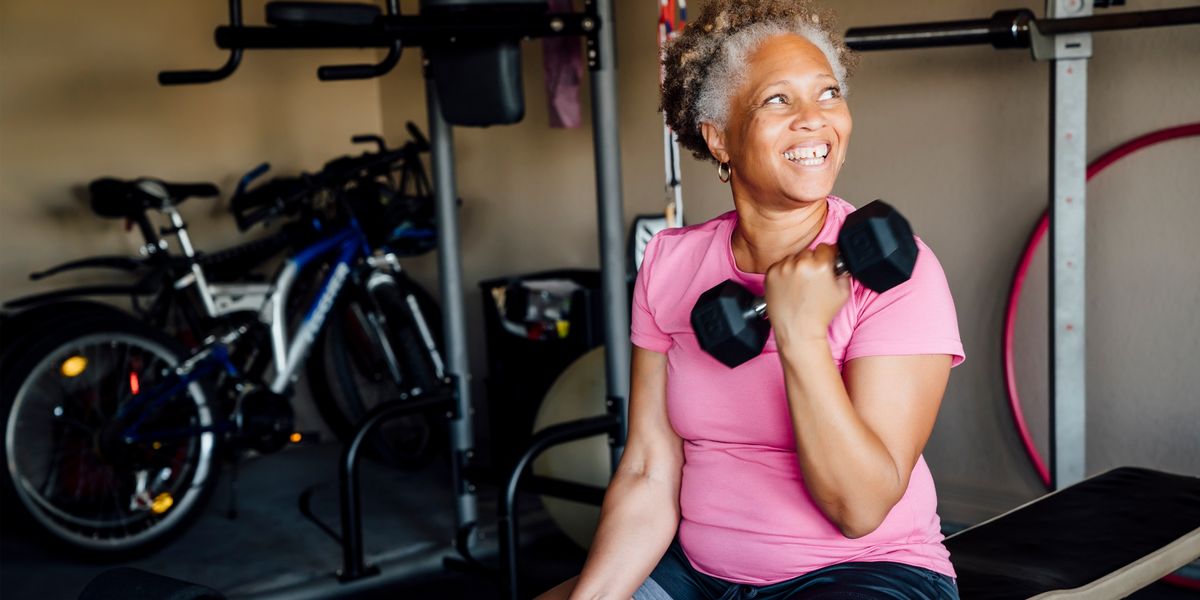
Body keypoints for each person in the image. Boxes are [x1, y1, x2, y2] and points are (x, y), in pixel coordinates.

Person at [539, 1, 964, 598]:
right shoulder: (671, 263)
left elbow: (860, 506)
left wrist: (800, 335)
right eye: (777, 100)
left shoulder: (896, 268)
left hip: (866, 572)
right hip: (697, 571)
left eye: (827, 94)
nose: (814, 120)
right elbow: (647, 471)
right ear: (720, 139)